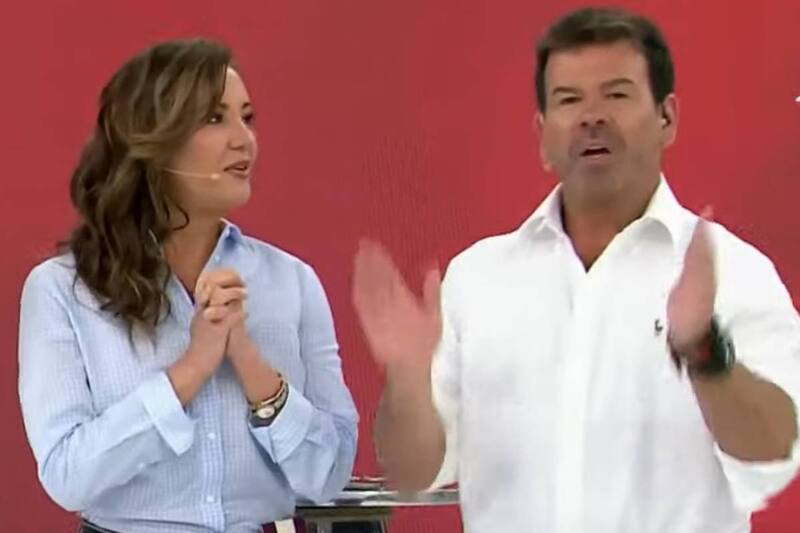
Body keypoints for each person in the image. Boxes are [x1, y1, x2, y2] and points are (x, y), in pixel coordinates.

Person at [352, 7, 800, 532]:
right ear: (543, 134)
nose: (591, 116)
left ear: (667, 117)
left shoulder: (733, 271)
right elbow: (413, 472)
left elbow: (775, 446)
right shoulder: (478, 278)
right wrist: (407, 379)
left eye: (616, 94)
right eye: (568, 100)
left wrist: (703, 350)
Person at [18, 38, 358, 533]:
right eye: (215, 118)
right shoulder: (61, 291)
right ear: (153, 138)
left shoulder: (293, 282)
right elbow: (68, 475)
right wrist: (193, 367)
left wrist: (251, 364)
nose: (244, 140)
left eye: (247, 117)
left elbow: (330, 474)